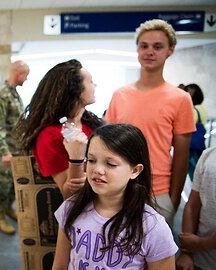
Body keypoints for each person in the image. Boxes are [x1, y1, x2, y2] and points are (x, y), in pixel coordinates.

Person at [105, 19, 195, 227]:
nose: (149, 52)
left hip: (158, 193)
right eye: (144, 46)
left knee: (156, 258)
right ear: (137, 49)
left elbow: (182, 155)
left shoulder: (180, 99)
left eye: (158, 46)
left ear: (170, 51)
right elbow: (108, 146)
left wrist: (173, 200)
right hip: (120, 189)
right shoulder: (120, 95)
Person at [52, 124, 178, 270]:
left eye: (110, 164)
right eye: (91, 160)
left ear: (135, 171)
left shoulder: (152, 227)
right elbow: (60, 265)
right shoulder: (71, 208)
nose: (97, 170)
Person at [16, 59, 102, 199]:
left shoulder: (91, 124)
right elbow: (69, 194)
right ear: (76, 90)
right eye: (91, 81)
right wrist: (76, 158)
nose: (95, 85)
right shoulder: (49, 136)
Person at [0, 60, 30, 234]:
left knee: (12, 183)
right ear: (19, 73)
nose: (26, 79)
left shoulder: (14, 94)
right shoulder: (0, 96)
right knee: (2, 184)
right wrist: (4, 152)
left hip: (15, 148)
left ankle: (8, 209)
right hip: (4, 150)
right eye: (26, 75)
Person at [176, 147, 216, 270]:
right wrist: (187, 253)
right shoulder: (208, 155)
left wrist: (201, 244)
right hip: (200, 260)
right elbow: (192, 206)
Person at [182, 83, 208, 181]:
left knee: (194, 177)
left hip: (191, 148)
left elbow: (186, 127)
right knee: (196, 176)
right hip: (198, 146)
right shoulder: (202, 109)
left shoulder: (192, 110)